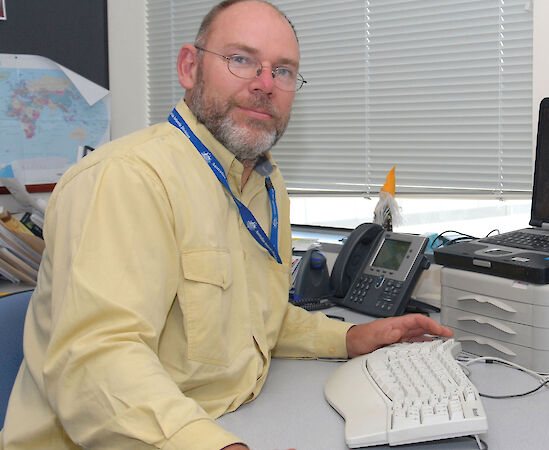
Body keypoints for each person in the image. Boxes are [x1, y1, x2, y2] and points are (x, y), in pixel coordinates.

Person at [0, 1, 452, 448]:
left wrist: (352, 337)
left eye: (284, 71)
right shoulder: (127, 180)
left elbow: (260, 321)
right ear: (189, 67)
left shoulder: (264, 185)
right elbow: (96, 367)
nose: (265, 84)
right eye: (241, 60)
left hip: (225, 418)